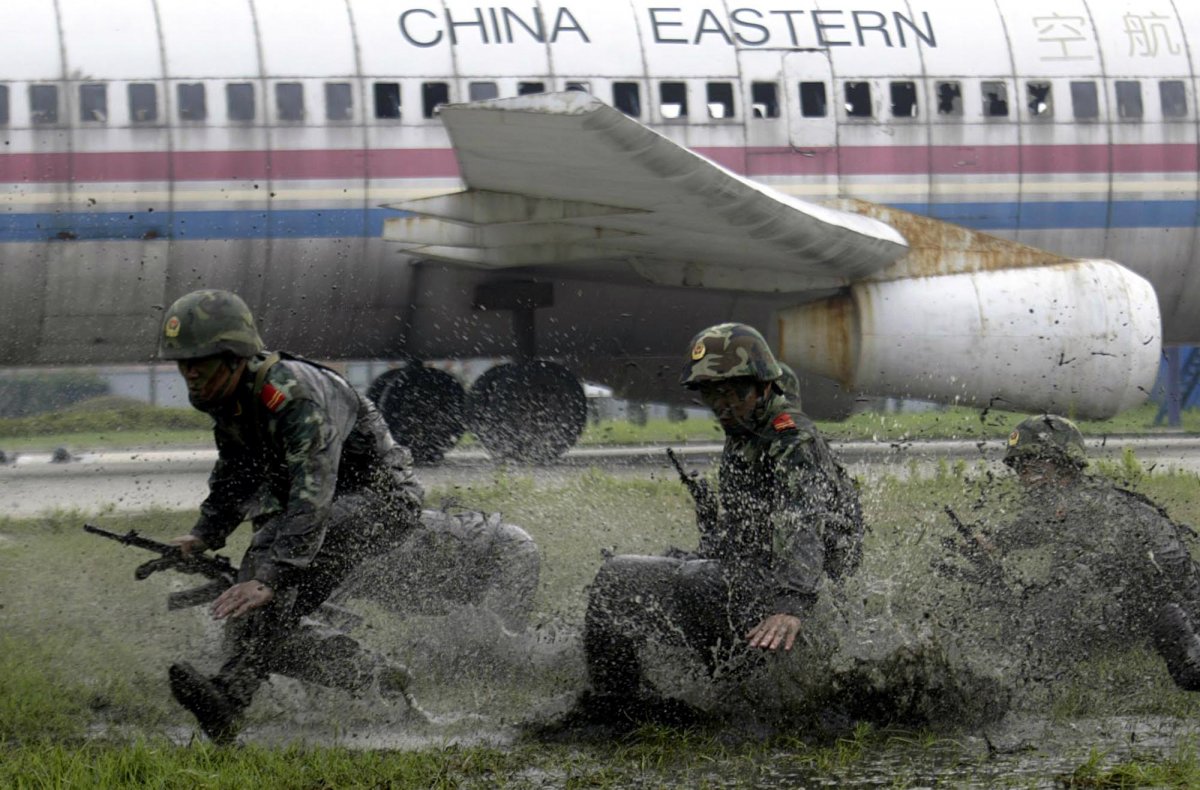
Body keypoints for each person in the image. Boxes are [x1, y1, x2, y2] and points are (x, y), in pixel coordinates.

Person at [159, 289, 425, 744]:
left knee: (270, 590)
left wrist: (274, 574)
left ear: (234, 355)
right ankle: (378, 677)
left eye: (200, 360)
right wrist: (204, 534)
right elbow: (235, 472)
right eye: (183, 362)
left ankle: (229, 698)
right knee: (250, 614)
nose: (190, 372)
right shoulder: (233, 398)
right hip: (318, 502)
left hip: (380, 500)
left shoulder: (290, 396)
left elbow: (314, 489)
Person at [575, 322, 864, 726]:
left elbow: (804, 524)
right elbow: (743, 537)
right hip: (750, 576)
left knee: (699, 580)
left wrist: (791, 603)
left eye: (734, 392)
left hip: (800, 592)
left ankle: (745, 703)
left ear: (763, 387)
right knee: (616, 577)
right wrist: (707, 541)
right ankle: (615, 706)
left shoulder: (791, 439)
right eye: (713, 394)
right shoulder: (744, 431)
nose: (724, 404)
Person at [951, 414, 1200, 691]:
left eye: (1033, 468)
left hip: (1173, 608)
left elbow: (1057, 598)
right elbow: (1037, 528)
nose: (1025, 479)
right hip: (1157, 603)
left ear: (1064, 467)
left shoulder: (1086, 508)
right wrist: (993, 543)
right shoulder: (1095, 500)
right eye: (1020, 469)